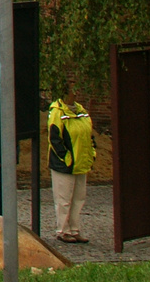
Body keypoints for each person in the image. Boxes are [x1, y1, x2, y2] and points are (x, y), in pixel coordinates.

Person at [48, 98, 95, 243]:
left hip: (80, 162)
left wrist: (91, 154)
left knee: (78, 198)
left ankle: (74, 229)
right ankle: (63, 230)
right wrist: (66, 158)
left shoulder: (82, 111)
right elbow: (55, 138)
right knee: (64, 199)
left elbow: (89, 136)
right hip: (64, 165)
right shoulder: (57, 111)